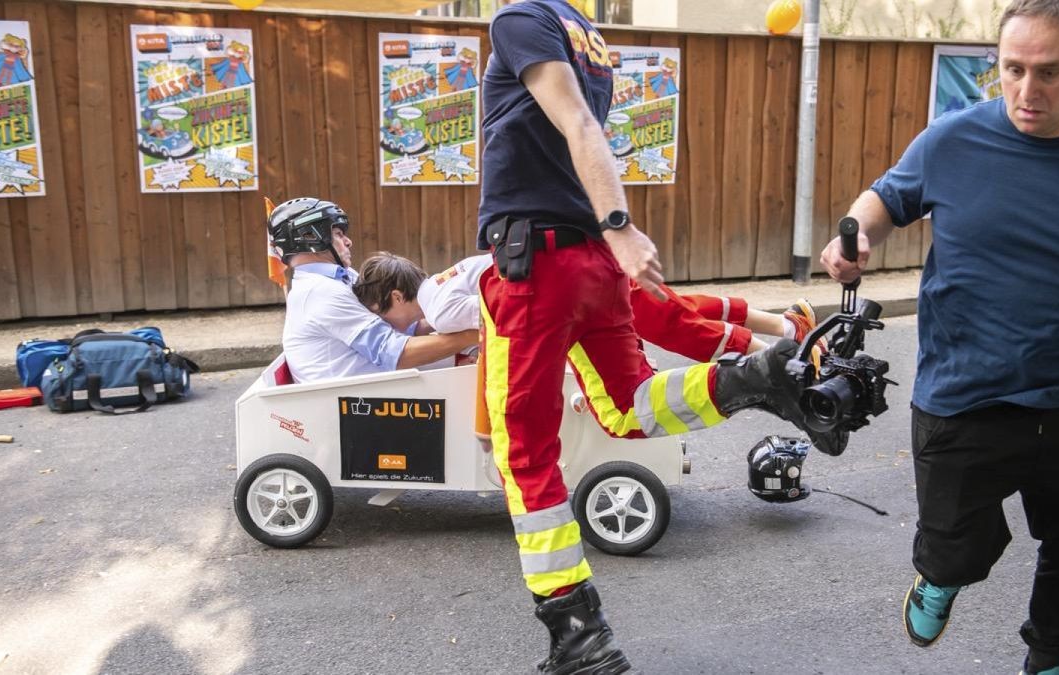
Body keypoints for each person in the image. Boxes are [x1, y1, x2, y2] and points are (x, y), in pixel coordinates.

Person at [478, 1, 857, 671]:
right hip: (587, 262)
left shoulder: (519, 18)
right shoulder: (582, 32)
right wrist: (610, 234)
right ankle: (756, 377)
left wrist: (620, 222)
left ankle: (578, 636)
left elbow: (577, 122)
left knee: (523, 452)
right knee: (627, 405)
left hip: (534, 261)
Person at [819, 1, 1059, 672]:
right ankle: (942, 573)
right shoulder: (953, 139)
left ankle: (1049, 656)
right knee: (955, 544)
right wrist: (853, 236)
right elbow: (883, 200)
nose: (1026, 91)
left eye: (1049, 72)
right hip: (964, 395)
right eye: (1012, 69)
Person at [353, 251, 824, 361]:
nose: (389, 326)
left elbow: (499, 326)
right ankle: (787, 325)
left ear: (395, 299)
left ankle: (780, 355)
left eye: (382, 316)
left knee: (676, 326)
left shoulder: (440, 312)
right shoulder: (440, 281)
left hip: (578, 291)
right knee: (678, 304)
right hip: (583, 273)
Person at [266, 198, 477, 383]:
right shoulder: (320, 292)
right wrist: (477, 333)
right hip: (354, 402)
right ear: (310, 237)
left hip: (374, 387)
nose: (348, 241)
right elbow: (395, 353)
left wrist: (456, 313)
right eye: (338, 234)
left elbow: (400, 326)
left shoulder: (340, 277)